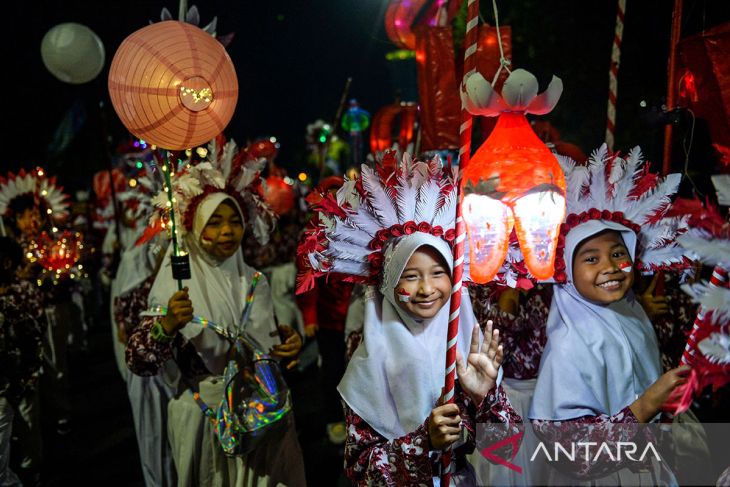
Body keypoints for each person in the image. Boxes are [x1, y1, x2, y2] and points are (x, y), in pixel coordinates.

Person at [298, 154, 521, 486]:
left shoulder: (468, 352)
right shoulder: (370, 362)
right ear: (389, 285)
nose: (427, 289)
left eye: (438, 273)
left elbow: (506, 450)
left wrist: (485, 397)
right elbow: (361, 470)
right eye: (411, 276)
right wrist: (423, 442)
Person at [127, 141, 306, 487]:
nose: (227, 232)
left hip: (263, 420)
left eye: (234, 222)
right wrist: (165, 327)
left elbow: (266, 356)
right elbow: (139, 362)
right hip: (204, 425)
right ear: (194, 228)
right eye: (214, 223)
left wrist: (286, 347)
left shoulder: (255, 281)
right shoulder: (173, 287)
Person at [528, 145, 694, 485]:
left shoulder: (632, 314)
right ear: (568, 270)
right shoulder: (570, 344)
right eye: (591, 259)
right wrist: (647, 405)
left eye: (618, 253)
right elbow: (569, 449)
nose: (610, 267)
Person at [0, 236, 43, 486]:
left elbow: (35, 339)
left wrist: (24, 381)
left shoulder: (21, 295)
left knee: (26, 432)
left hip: (12, 389)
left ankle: (31, 471)